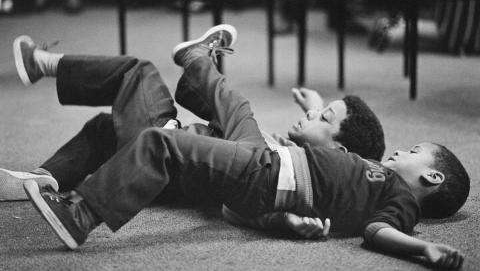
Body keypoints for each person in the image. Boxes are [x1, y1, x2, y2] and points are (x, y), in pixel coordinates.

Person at [13, 25, 469, 269]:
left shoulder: (396, 201)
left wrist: (420, 250)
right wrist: (314, 108)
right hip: (272, 163)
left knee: (154, 121)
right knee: (227, 109)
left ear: (432, 176)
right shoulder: (370, 173)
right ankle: (196, 63)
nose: (400, 152)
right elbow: (345, 157)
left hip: (266, 173)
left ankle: (81, 215)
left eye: (414, 151)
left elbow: (378, 232)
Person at [0, 30, 385, 201]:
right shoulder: (292, 156)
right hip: (170, 153)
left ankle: (42, 63)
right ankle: (46, 179)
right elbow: (327, 140)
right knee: (105, 128)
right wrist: (314, 110)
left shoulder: (281, 167)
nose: (314, 114)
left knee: (140, 72)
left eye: (324, 119)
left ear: (339, 152)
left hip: (166, 154)